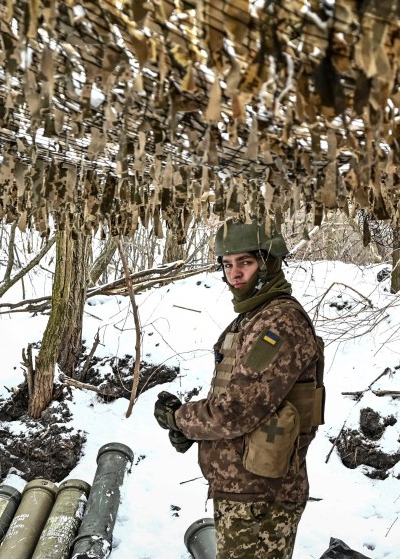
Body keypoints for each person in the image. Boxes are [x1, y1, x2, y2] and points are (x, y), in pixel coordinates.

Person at [155, 219, 325, 559]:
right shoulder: (252, 318)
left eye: (245, 262)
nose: (235, 273)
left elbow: (238, 409)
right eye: (228, 264)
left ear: (268, 263)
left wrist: (180, 419)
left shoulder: (278, 323)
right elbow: (238, 402)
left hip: (261, 497)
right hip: (244, 491)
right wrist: (196, 433)